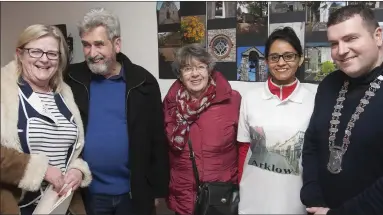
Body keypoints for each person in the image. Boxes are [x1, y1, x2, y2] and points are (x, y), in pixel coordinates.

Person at [301, 5, 383, 215]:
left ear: (378, 36)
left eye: (351, 38)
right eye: (334, 43)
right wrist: (312, 196)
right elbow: (312, 145)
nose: (341, 51)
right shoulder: (328, 85)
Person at [64, 8, 170, 215]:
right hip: (87, 193)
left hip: (133, 194)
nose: (92, 53)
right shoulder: (71, 79)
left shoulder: (144, 82)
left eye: (99, 44)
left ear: (117, 44)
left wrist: (158, 190)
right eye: (86, 45)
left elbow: (157, 139)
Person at [0, 24, 92, 215]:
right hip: (18, 207)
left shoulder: (64, 94)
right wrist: (40, 170)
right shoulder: (4, 90)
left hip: (62, 205)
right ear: (20, 53)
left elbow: (73, 149)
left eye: (52, 54)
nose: (44, 59)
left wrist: (77, 170)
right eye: (35, 52)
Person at [236, 27, 317, 214]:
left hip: (296, 199)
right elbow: (243, 150)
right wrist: (241, 186)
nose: (281, 63)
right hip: (253, 199)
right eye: (274, 57)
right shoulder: (250, 98)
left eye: (288, 56)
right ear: (266, 61)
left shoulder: (314, 99)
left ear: (300, 59)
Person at [163, 43, 241, 215]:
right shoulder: (170, 104)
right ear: (180, 75)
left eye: (200, 67)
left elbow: (243, 148)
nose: (195, 74)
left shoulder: (232, 101)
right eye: (188, 68)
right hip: (183, 197)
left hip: (220, 198)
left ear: (209, 70)